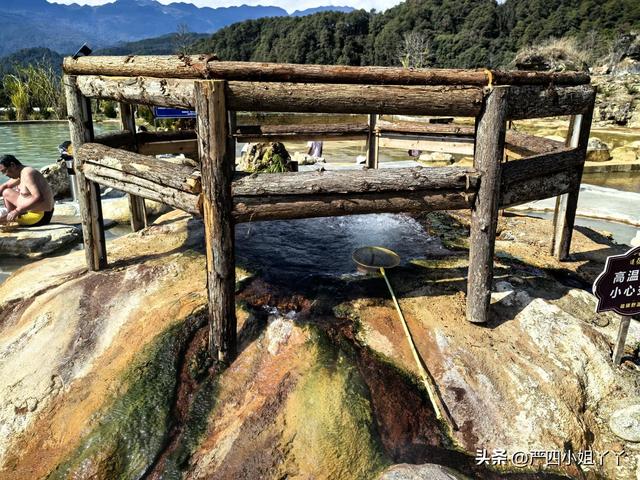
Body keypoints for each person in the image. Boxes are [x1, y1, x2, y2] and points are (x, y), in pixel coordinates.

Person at [0, 155, 54, 227]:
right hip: (28, 210)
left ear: (13, 165)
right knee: (6, 192)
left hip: (40, 216)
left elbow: (39, 197)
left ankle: (12, 218)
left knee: (1, 220)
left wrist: (17, 211)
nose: (5, 175)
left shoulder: (28, 174)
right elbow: (5, 186)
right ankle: (11, 218)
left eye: (4, 171)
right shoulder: (21, 173)